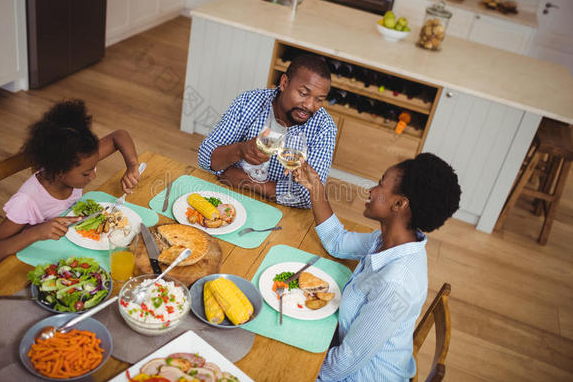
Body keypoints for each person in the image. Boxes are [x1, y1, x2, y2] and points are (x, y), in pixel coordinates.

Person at [292, 153, 461, 381]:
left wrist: (293, 363)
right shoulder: (389, 241)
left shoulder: (395, 282)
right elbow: (337, 242)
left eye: (381, 184)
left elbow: (344, 362)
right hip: (348, 347)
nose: (371, 190)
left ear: (399, 204)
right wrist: (315, 187)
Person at [0, 100, 141, 269]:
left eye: (93, 168)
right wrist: (36, 232)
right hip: (36, 260)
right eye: (86, 173)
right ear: (59, 172)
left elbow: (119, 135)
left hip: (70, 245)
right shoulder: (28, 201)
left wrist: (132, 164)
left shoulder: (79, 159)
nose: (93, 176)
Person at [197, 54, 337, 208]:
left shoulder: (324, 128)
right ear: (284, 83)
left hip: (279, 209)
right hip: (227, 196)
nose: (310, 106)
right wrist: (239, 150)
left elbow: (309, 196)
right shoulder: (249, 102)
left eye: (319, 99)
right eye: (303, 93)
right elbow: (205, 157)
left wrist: (248, 182)